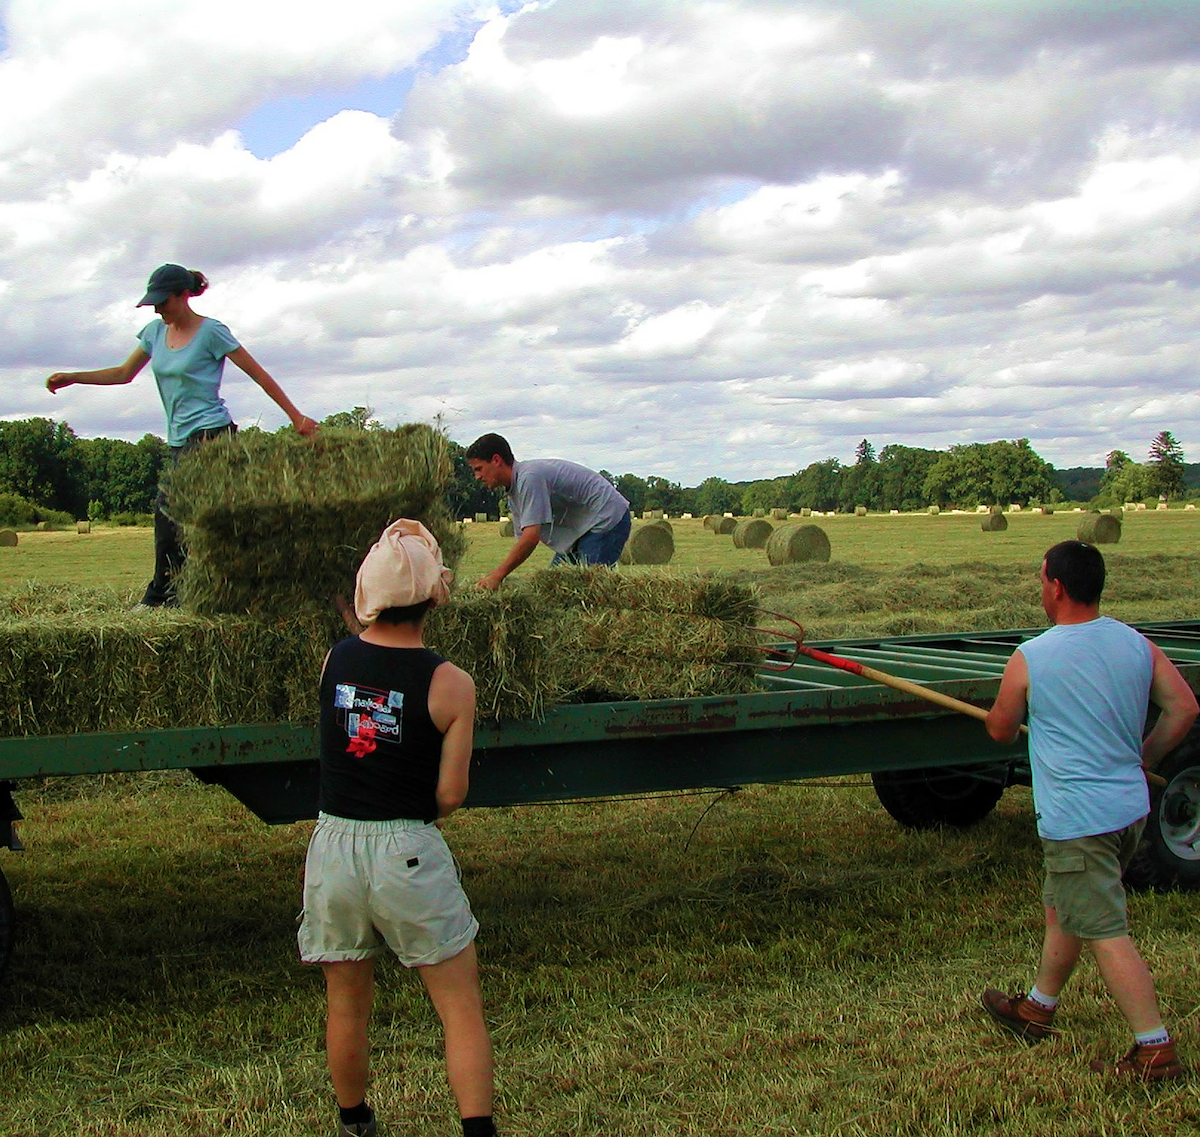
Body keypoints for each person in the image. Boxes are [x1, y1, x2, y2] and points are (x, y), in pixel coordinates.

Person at [298, 519, 497, 1137]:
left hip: (332, 847)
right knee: (459, 1008)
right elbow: (451, 794)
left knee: (346, 1005)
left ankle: (354, 1122)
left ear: (370, 593)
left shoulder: (334, 660)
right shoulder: (451, 683)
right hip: (406, 847)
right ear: (434, 597)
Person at [981, 540, 1198, 1079]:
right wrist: (1144, 756)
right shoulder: (1135, 643)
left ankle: (1154, 1048)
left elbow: (1000, 730)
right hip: (1127, 811)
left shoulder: (1033, 656)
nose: (1040, 589)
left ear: (1056, 587)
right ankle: (1037, 1008)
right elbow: (1183, 708)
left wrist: (1003, 713)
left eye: (1041, 580)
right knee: (1066, 906)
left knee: (1103, 929)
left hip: (1079, 820)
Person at [46, 263, 318, 607]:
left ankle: (160, 597)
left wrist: (296, 417)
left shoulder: (211, 332)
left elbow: (259, 375)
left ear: (184, 295)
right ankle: (194, 592)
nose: (157, 309)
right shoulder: (154, 333)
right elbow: (123, 373)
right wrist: (74, 377)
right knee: (192, 521)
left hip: (212, 437)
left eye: (163, 302)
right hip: (178, 441)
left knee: (168, 514)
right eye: (153, 303)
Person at [464, 432, 631, 589]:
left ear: (496, 460)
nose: (477, 477)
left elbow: (531, 537)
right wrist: (497, 575)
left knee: (588, 590)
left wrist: (497, 576)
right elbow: (522, 540)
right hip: (581, 530)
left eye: (479, 469)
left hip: (605, 518)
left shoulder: (529, 478)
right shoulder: (514, 493)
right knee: (554, 586)